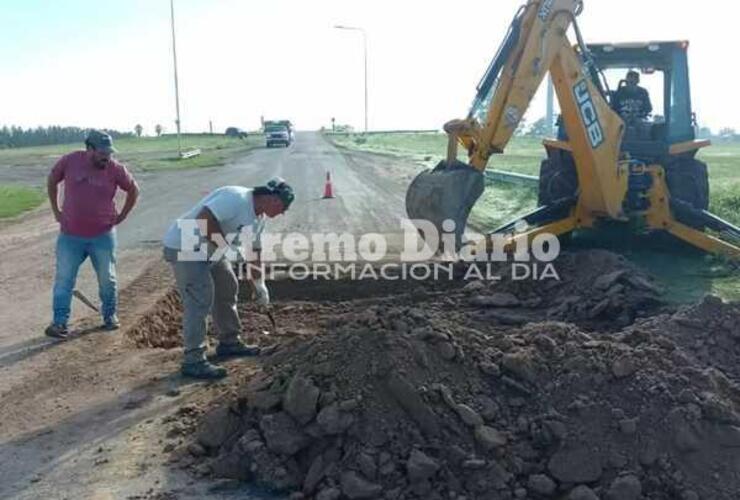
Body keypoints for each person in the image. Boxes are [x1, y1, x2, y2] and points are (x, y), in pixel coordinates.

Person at [162, 178, 294, 379]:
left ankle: (229, 342)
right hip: (185, 246)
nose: (283, 213)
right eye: (283, 208)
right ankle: (193, 359)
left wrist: (259, 284)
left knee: (227, 287)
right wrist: (226, 249)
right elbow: (204, 219)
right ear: (273, 200)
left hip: (210, 249)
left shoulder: (259, 218)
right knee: (200, 298)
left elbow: (254, 251)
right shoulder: (236, 198)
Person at [46, 130, 140, 339]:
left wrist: (123, 214)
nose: (107, 156)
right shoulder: (70, 161)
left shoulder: (115, 169)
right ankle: (59, 323)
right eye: (102, 152)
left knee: (107, 278)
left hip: (102, 235)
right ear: (89, 149)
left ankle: (109, 315)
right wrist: (56, 211)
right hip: (70, 235)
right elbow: (52, 180)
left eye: (109, 152)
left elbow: (134, 189)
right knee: (64, 279)